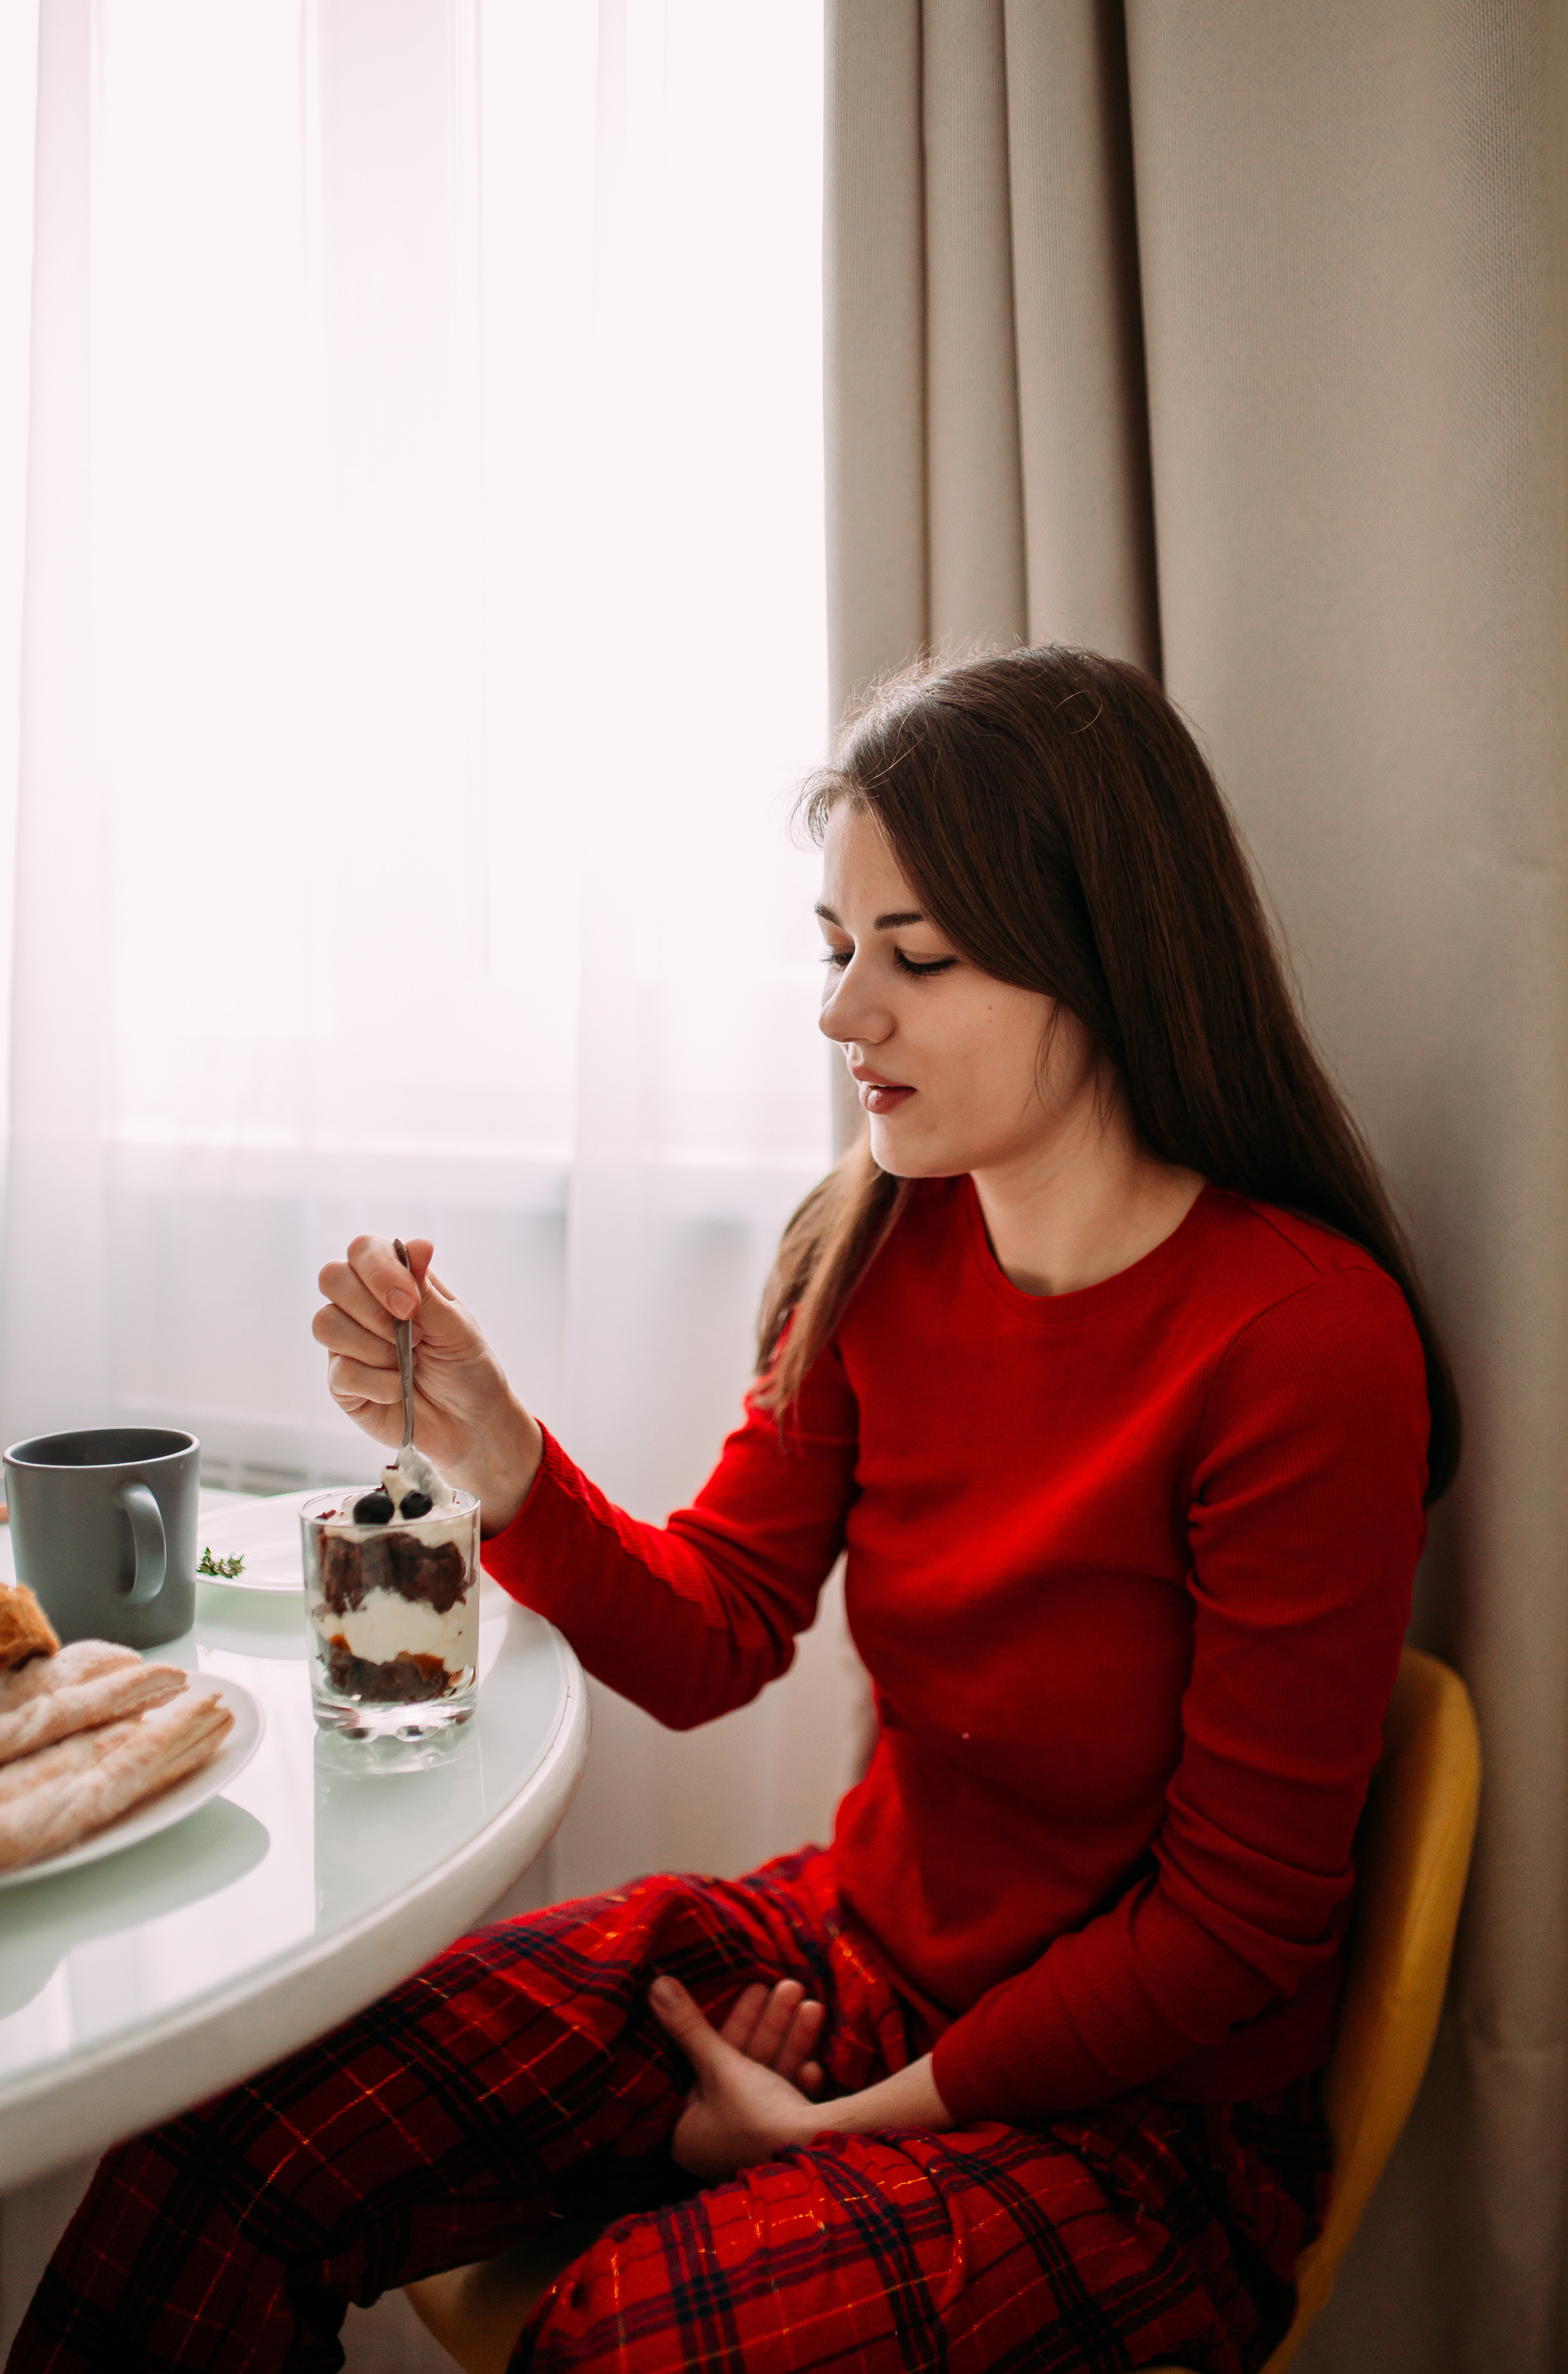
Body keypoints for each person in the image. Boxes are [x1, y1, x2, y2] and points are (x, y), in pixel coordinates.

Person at [9, 647, 1458, 2374]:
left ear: (1108, 958)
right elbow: (712, 1634)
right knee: (229, 2129)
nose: (848, 1017)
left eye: (917, 959)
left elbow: (1237, 1928)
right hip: (853, 1954)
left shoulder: (1301, 1344)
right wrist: (500, 1449)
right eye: (837, 952)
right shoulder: (877, 1245)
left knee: (630, 2339)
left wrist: (843, 2126)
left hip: (1139, 2135)